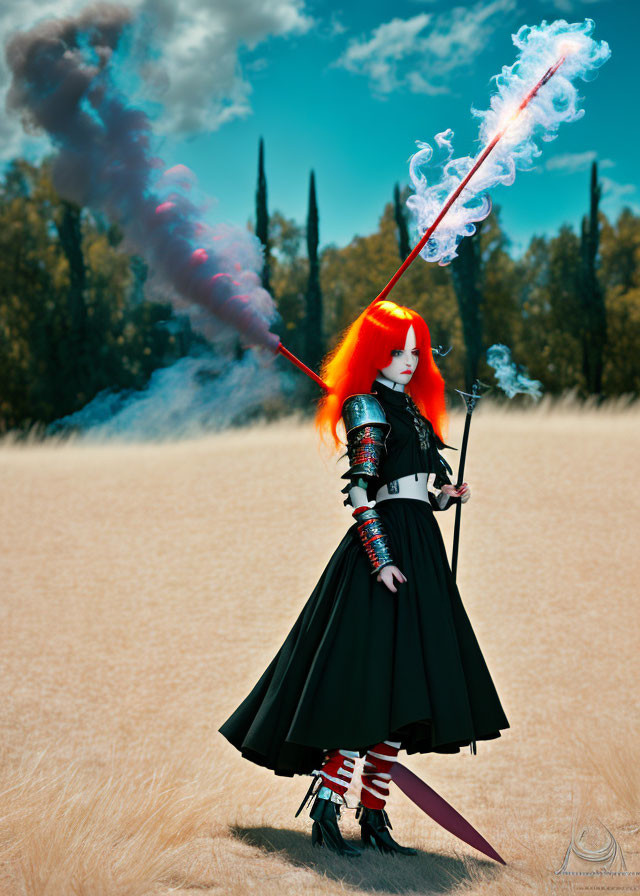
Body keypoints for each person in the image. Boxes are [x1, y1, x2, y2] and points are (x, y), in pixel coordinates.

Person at [219, 300, 510, 857]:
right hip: (383, 558)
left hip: (420, 547)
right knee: (366, 689)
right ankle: (327, 810)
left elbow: (415, 489)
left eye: (414, 351)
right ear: (374, 353)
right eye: (395, 350)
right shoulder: (366, 407)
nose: (407, 361)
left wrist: (444, 496)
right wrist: (381, 560)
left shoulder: (418, 414)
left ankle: (374, 817)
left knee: (405, 693)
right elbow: (360, 492)